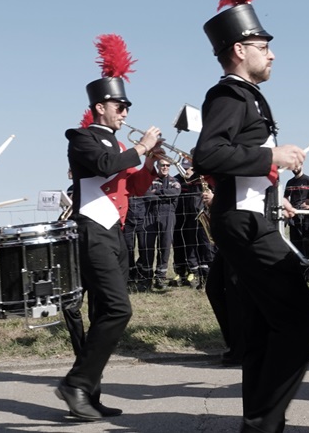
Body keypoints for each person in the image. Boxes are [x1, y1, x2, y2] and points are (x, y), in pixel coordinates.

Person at [192, 0, 309, 433]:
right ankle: (264, 422)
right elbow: (208, 155)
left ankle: (258, 419)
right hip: (243, 224)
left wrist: (273, 188)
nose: (272, 54)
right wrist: (274, 155)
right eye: (264, 46)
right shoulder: (228, 93)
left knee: (269, 325)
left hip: (251, 217)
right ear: (239, 50)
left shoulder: (247, 97)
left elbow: (235, 161)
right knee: (300, 321)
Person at [57, 35, 161, 421]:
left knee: (105, 313)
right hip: (92, 230)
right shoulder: (81, 138)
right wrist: (141, 149)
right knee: (119, 310)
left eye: (126, 106)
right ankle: (77, 383)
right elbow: (102, 166)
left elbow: (131, 185)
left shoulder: (120, 147)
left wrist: (149, 165)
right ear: (100, 107)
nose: (125, 111)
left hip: (115, 232)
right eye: (120, 105)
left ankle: (88, 393)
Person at [139, 159, 181, 290]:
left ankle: (160, 277)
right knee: (147, 247)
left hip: (168, 214)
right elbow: (146, 194)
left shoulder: (174, 181)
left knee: (165, 247)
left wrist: (157, 192)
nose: (165, 167)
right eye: (162, 165)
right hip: (150, 214)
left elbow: (175, 193)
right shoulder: (150, 179)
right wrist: (164, 195)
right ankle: (146, 278)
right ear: (157, 166)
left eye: (168, 165)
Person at [173, 157, 211, 288]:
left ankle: (206, 275)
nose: (186, 169)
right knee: (189, 245)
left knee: (206, 246)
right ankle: (193, 273)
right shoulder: (178, 178)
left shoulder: (203, 177)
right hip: (187, 217)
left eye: (188, 166)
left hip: (203, 215)